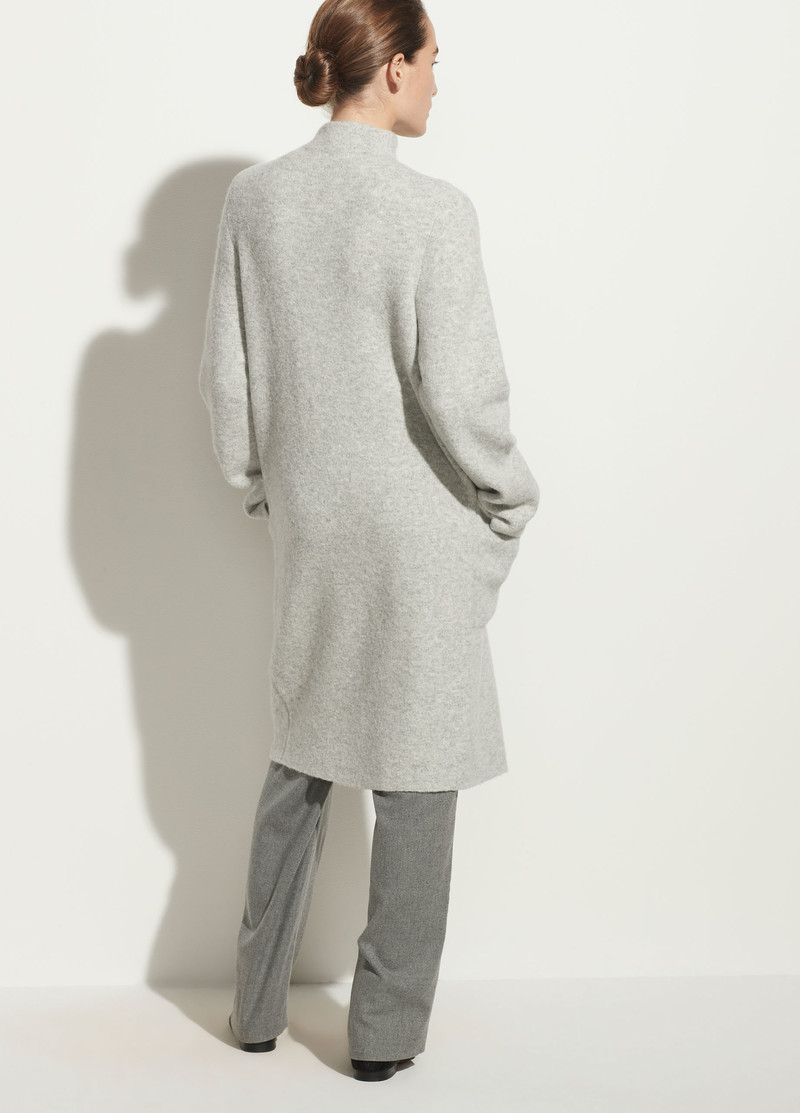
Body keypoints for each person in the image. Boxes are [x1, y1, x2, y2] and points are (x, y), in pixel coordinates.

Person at [198, 0, 540, 1084]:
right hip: (420, 532)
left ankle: (256, 1008)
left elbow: (227, 387)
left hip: (317, 529)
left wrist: (274, 493)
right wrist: (510, 499)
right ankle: (383, 1038)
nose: (438, 81)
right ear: (391, 68)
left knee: (301, 757)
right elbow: (465, 395)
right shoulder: (433, 212)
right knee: (417, 782)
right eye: (432, 60)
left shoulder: (255, 201)